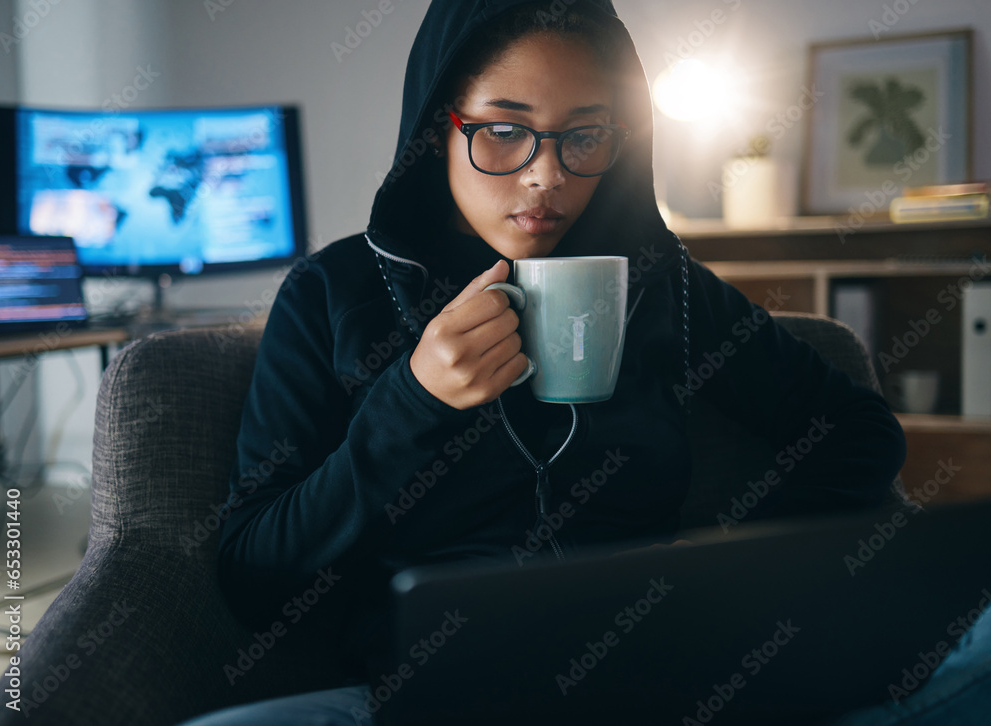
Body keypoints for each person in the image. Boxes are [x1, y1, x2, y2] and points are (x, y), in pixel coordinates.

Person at [179, 1, 990, 724]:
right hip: (427, 692)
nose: (547, 176)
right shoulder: (335, 292)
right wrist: (413, 401)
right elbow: (256, 574)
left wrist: (719, 568)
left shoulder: (659, 284)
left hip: (667, 672)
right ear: (439, 127)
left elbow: (856, 433)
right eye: (503, 129)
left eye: (586, 136)